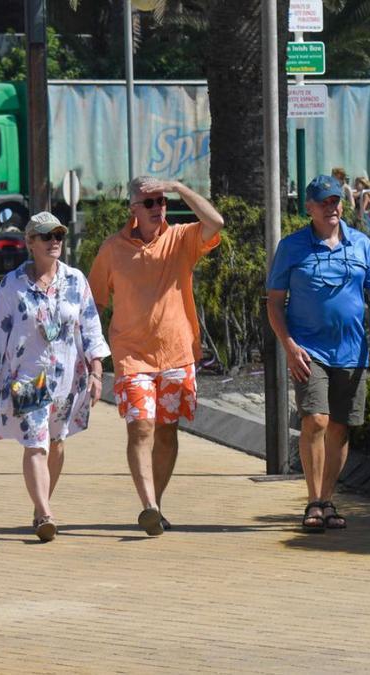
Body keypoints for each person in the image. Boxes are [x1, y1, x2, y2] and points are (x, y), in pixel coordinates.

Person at [87, 176, 224, 536]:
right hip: (132, 357)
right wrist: (90, 354)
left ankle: (156, 505)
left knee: (166, 432)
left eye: (161, 202)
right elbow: (94, 303)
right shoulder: (112, 249)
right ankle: (147, 505)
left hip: (176, 353)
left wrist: (180, 187)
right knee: (141, 427)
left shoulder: (181, 239)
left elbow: (216, 223)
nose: (157, 208)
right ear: (132, 209)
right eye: (148, 203)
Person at [266, 175, 370, 532]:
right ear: (308, 207)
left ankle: (328, 499)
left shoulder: (361, 244)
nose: (331, 207)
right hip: (310, 351)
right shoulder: (292, 247)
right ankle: (312, 500)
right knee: (317, 420)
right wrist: (289, 347)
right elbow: (275, 304)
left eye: (335, 200)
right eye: (323, 201)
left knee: (340, 428)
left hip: (353, 353)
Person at [0, 212, 110, 542]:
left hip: (67, 379)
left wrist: (97, 371)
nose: (54, 241)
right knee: (35, 444)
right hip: (28, 376)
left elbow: (90, 327)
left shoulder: (75, 280)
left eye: (58, 235)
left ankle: (39, 505)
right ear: (30, 242)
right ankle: (45, 512)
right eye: (46, 236)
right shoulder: (12, 284)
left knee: (57, 443)